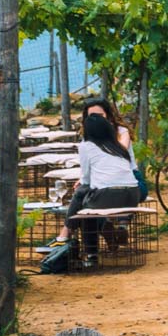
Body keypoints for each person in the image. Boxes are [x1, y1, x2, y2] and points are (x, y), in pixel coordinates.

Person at [48, 96, 134, 248]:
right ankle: (109, 233)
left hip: (112, 191)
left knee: (84, 201)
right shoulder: (113, 143)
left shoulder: (89, 145)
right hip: (132, 193)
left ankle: (79, 244)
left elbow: (87, 179)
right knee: (86, 198)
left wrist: (84, 182)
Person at [64, 110, 142, 268]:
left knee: (84, 206)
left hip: (108, 195)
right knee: (88, 202)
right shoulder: (116, 144)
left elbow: (86, 178)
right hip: (133, 194)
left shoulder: (86, 146)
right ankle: (95, 230)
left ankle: (84, 249)